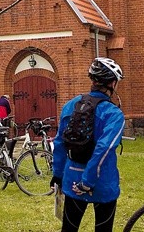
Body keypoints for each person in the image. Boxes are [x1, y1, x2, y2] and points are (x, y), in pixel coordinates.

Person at [51, 57, 125, 232]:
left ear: (92, 80)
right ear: (113, 83)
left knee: (69, 228)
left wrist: (58, 175)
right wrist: (88, 181)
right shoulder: (113, 113)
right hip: (102, 181)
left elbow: (59, 142)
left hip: (72, 177)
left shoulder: (71, 105)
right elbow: (104, 149)